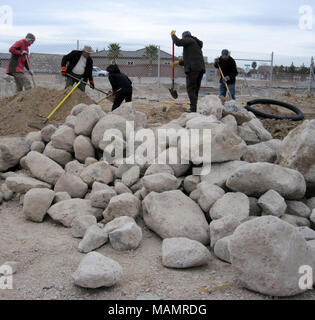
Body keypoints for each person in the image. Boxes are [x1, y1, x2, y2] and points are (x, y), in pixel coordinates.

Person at [171, 30, 205, 113]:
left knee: (191, 89)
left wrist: (173, 35)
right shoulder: (195, 44)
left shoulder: (189, 40)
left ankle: (193, 108)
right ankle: (194, 107)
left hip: (193, 69)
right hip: (200, 69)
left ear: (185, 36)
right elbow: (190, 59)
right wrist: (179, 62)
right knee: (195, 89)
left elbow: (178, 42)